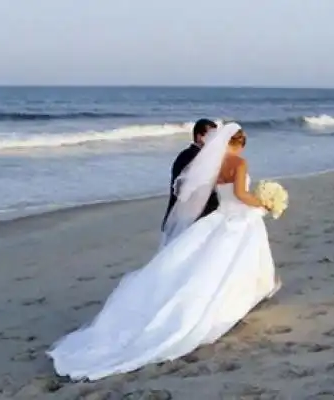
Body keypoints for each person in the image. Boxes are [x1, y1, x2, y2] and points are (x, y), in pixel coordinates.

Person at [47, 123, 280, 381]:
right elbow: (240, 194)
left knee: (207, 265)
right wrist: (263, 202)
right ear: (239, 144)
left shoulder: (213, 164)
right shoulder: (239, 163)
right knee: (233, 261)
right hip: (237, 218)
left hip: (219, 218)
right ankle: (236, 301)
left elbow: (207, 193)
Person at [161, 118, 219, 233]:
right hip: (187, 220)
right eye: (211, 136)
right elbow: (190, 190)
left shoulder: (196, 155)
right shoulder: (190, 157)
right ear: (199, 137)